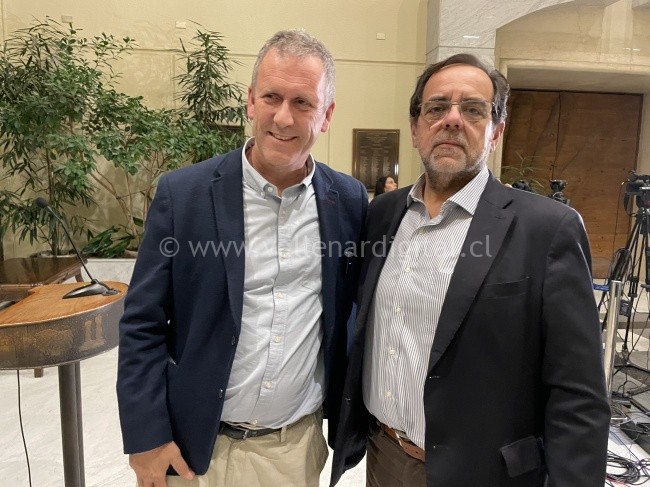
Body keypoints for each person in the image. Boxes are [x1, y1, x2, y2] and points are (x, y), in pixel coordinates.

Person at [331, 53, 610, 486]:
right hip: (383, 457)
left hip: (483, 473)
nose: (452, 119)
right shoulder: (383, 214)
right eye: (437, 107)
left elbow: (578, 394)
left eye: (473, 109)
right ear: (416, 128)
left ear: (496, 131)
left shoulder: (546, 229)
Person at [116, 29, 368, 487]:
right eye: (271, 97)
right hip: (193, 450)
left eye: (303, 102)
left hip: (293, 451)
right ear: (251, 101)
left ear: (327, 114)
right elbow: (142, 323)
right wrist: (146, 437)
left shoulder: (348, 201)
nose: (283, 117)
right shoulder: (184, 195)